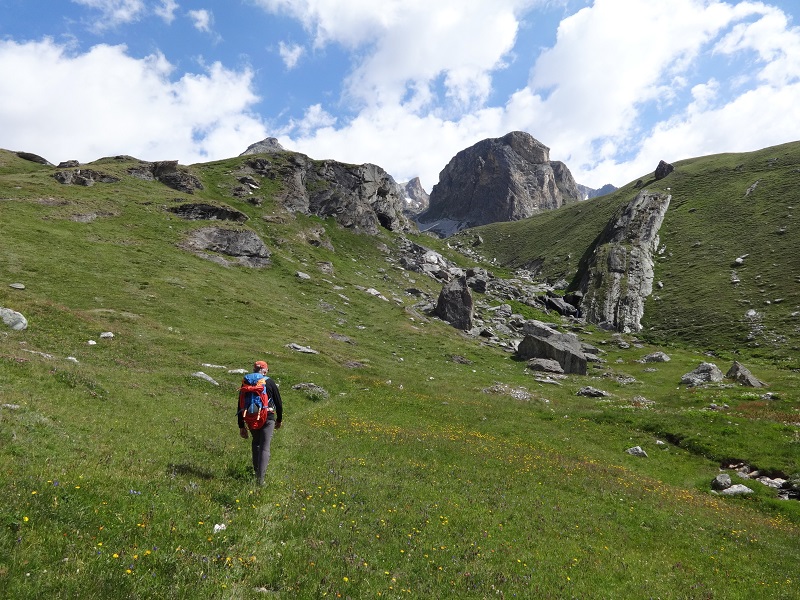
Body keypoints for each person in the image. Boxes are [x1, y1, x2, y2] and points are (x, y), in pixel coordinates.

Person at [237, 360, 282, 485]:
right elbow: (278, 402)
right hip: (267, 416)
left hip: (251, 416)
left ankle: (256, 472)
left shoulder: (246, 382)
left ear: (254, 369)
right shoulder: (269, 381)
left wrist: (241, 425)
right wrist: (279, 419)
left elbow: (240, 404)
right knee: (265, 446)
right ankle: (260, 480)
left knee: (256, 442)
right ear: (265, 370)